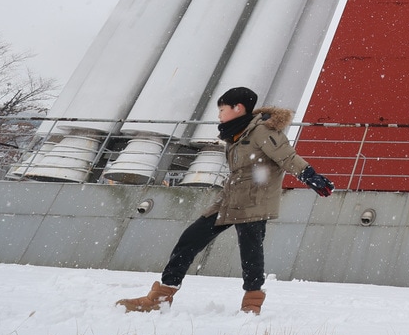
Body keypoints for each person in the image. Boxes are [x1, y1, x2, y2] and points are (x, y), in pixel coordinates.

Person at [116, 87, 335, 315]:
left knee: (251, 255)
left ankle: (251, 305)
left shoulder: (262, 131)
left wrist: (310, 176)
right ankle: (161, 297)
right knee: (189, 240)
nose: (219, 115)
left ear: (238, 108)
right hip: (229, 200)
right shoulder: (236, 134)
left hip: (254, 202)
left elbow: (287, 157)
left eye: (222, 109)